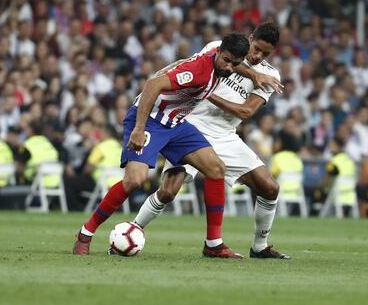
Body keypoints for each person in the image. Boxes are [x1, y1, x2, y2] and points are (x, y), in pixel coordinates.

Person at [73, 32, 250, 255]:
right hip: (150, 121)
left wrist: (254, 75)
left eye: (235, 64)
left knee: (216, 169)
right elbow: (153, 84)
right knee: (134, 181)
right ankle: (85, 234)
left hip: (176, 124)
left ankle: (213, 244)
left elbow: (234, 63)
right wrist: (139, 128)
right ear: (219, 52)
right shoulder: (198, 72)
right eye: (227, 60)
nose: (229, 68)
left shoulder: (219, 59)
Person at [130, 23, 290, 259]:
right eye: (256, 48)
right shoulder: (219, 47)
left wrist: (207, 92)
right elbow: (223, 68)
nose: (257, 56)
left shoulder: (271, 76)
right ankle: (133, 230)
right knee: (168, 191)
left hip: (225, 136)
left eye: (265, 54)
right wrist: (207, 88)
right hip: (190, 126)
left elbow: (245, 113)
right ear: (250, 37)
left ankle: (260, 247)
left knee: (270, 187)